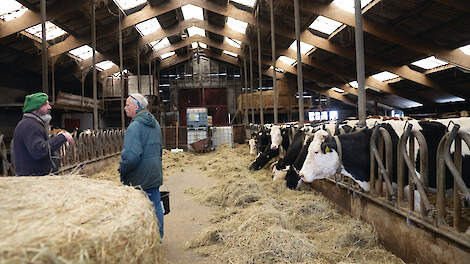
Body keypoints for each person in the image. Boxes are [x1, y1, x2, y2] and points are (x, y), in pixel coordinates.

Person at [119, 93, 164, 239]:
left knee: (139, 209)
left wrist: (122, 170)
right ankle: (158, 236)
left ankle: (143, 241)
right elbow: (159, 149)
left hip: (139, 177)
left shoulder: (135, 126)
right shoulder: (155, 123)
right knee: (156, 206)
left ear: (137, 107)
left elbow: (131, 156)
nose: (125, 108)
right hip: (154, 172)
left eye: (127, 105)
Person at [13, 92, 75, 176]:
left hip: (36, 177)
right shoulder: (30, 125)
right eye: (46, 104)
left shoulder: (32, 123)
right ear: (36, 107)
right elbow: (39, 151)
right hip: (33, 179)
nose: (49, 107)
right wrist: (61, 137)